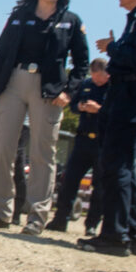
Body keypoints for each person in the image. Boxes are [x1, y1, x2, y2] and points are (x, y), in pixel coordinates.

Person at [0, 0, 89, 233]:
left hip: (49, 89)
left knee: (43, 153)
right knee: (3, 148)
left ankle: (36, 218)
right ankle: (1, 212)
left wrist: (69, 93)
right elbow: (1, 53)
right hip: (13, 84)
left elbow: (83, 63)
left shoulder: (71, 20)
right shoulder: (19, 16)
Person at [78, 0, 136, 256]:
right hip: (126, 95)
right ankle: (134, 235)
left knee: (116, 166)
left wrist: (113, 47)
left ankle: (115, 236)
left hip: (133, 97)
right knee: (123, 166)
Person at [46, 58, 110, 234]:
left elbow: (116, 111)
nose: (97, 81)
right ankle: (60, 220)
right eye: (94, 76)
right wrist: (81, 106)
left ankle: (91, 225)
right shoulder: (86, 85)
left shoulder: (113, 87)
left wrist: (99, 109)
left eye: (100, 77)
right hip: (82, 140)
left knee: (99, 186)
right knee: (69, 181)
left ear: (107, 73)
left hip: (102, 142)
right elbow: (73, 105)